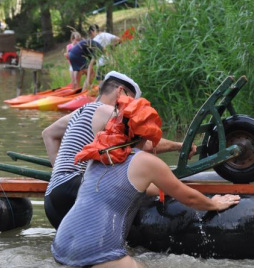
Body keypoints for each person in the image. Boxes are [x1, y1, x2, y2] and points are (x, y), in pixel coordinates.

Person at [51, 94, 241, 268]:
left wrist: (167, 189)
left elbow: (133, 188)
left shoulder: (98, 155)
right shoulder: (145, 162)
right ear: (147, 135)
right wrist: (214, 203)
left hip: (61, 244)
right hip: (97, 250)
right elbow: (189, 198)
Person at [42, 71, 196, 230]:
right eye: (131, 101)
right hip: (77, 191)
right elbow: (146, 143)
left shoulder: (80, 111)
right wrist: (179, 146)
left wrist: (61, 172)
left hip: (53, 197)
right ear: (120, 91)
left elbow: (48, 134)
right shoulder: (108, 111)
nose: (130, 109)